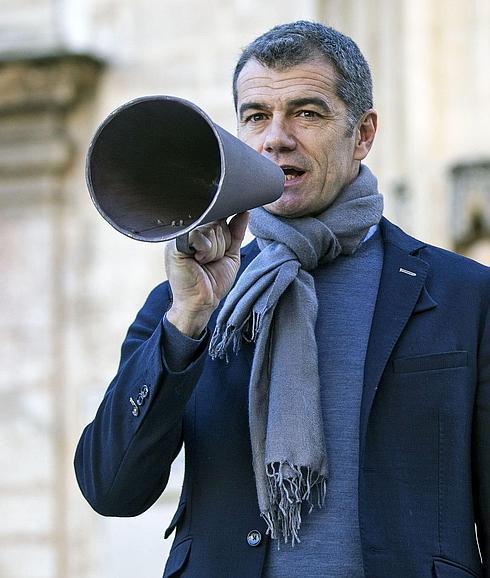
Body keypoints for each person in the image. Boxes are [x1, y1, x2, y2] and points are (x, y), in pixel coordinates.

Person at [74, 21, 489, 578]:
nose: (276, 138)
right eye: (256, 116)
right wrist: (185, 324)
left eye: (307, 113)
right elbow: (111, 487)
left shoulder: (464, 296)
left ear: (362, 134)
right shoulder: (187, 300)